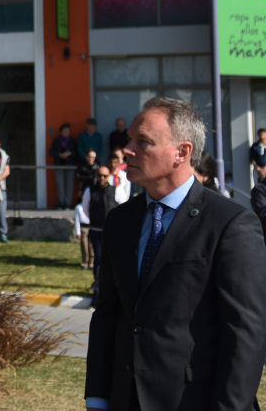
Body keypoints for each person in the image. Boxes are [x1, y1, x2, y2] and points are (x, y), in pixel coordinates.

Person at [84, 97, 266, 410]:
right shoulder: (120, 221)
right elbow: (107, 315)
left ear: (182, 152)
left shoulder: (230, 224)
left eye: (143, 142)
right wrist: (98, 397)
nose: (128, 150)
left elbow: (245, 332)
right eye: (130, 139)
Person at [80, 165, 114, 286]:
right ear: (96, 176)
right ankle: (97, 282)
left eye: (104, 176)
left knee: (111, 259)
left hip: (111, 231)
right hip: (96, 230)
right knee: (98, 258)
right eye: (99, 175)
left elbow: (122, 207)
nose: (102, 178)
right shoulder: (90, 191)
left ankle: (110, 282)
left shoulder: (115, 190)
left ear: (108, 176)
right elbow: (85, 208)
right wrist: (95, 218)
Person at [49, 123, 76, 209]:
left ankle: (67, 203)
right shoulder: (57, 141)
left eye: (68, 131)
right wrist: (60, 155)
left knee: (69, 185)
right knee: (60, 184)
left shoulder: (72, 141)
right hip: (59, 165)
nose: (67, 132)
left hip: (70, 165)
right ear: (61, 132)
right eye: (65, 131)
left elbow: (76, 152)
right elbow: (51, 151)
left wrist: (69, 154)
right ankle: (61, 203)